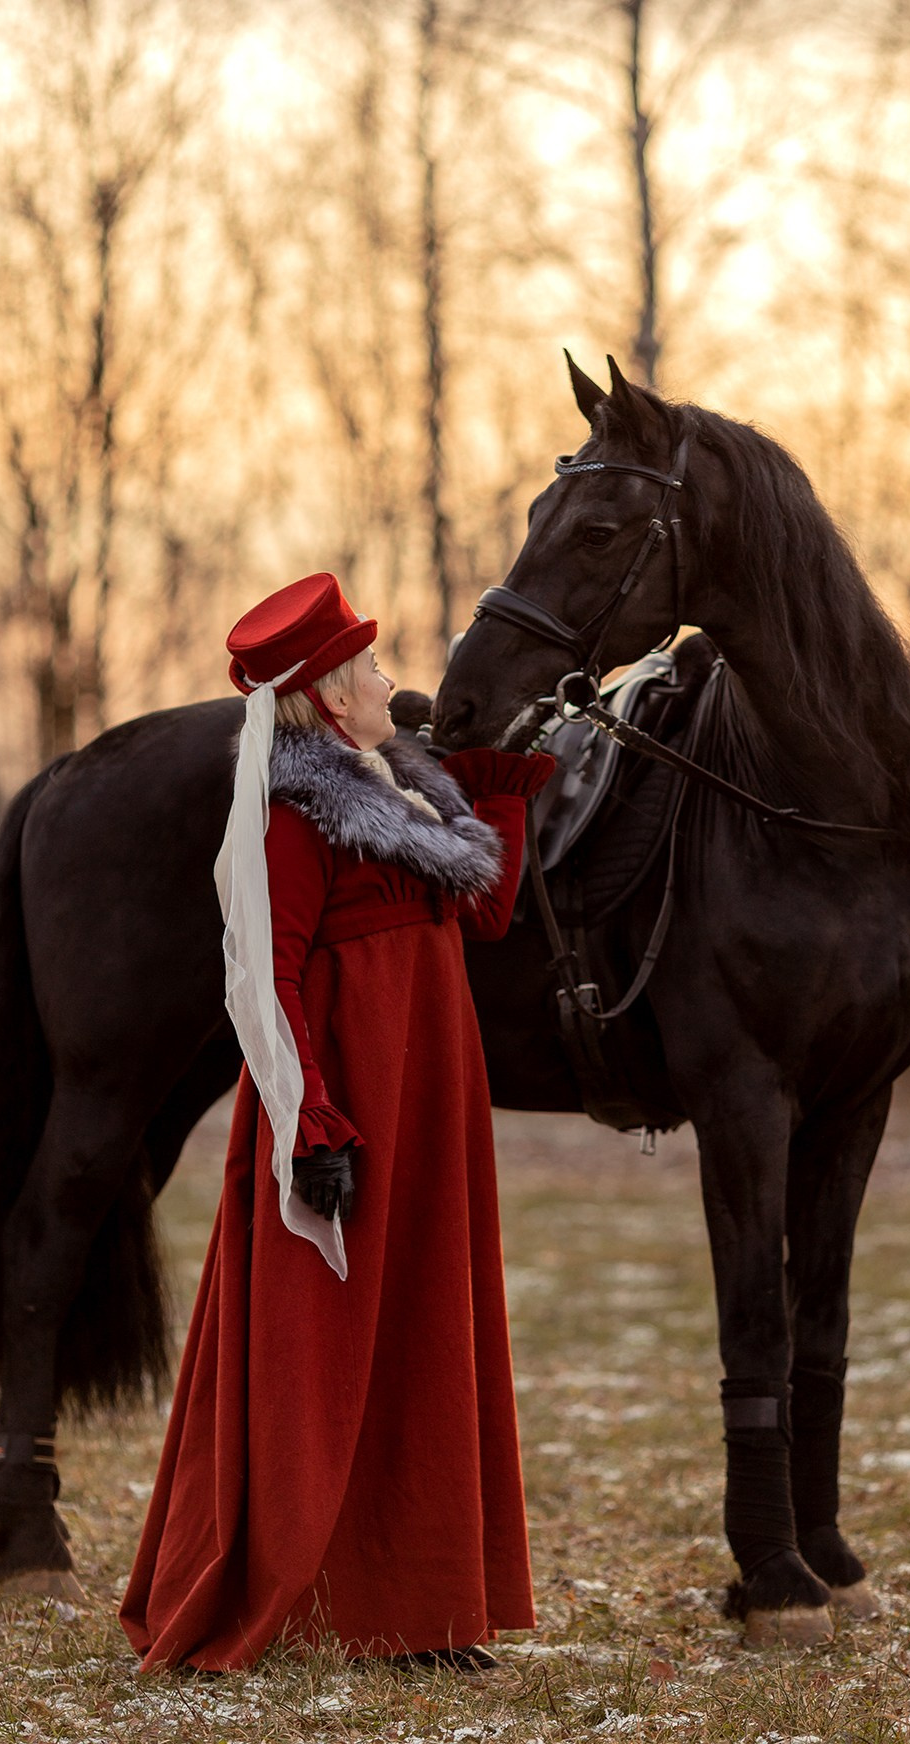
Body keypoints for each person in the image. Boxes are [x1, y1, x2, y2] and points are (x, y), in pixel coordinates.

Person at [120, 572, 553, 1673]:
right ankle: (334, 1596)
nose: (391, 678)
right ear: (322, 696)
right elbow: (265, 979)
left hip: (434, 1110)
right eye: (370, 666)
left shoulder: (409, 792)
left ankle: (424, 1609)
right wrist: (309, 1126)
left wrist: (495, 787)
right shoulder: (290, 818)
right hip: (347, 1114)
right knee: (335, 1359)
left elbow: (488, 913)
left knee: (425, 1339)